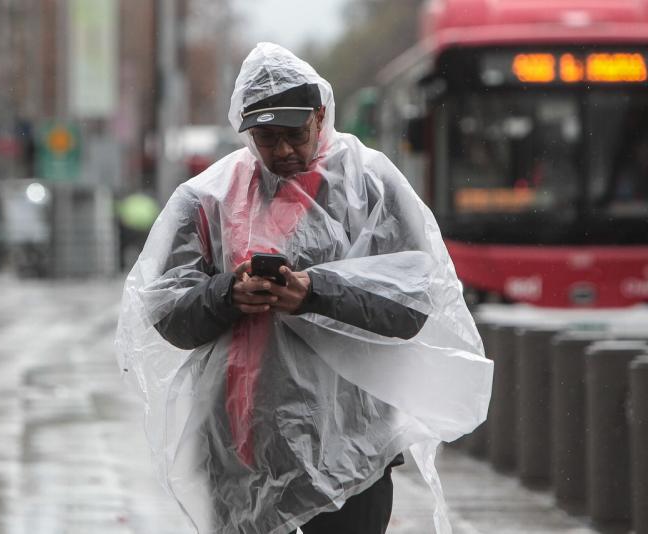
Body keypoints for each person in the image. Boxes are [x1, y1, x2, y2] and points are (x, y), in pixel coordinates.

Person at [115, 43, 493, 534]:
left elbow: (412, 302)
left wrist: (314, 293)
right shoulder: (206, 199)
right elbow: (168, 314)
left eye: (295, 134)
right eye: (268, 138)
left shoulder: (370, 185)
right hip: (239, 448)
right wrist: (229, 294)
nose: (285, 151)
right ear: (247, 132)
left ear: (320, 117)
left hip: (350, 450)